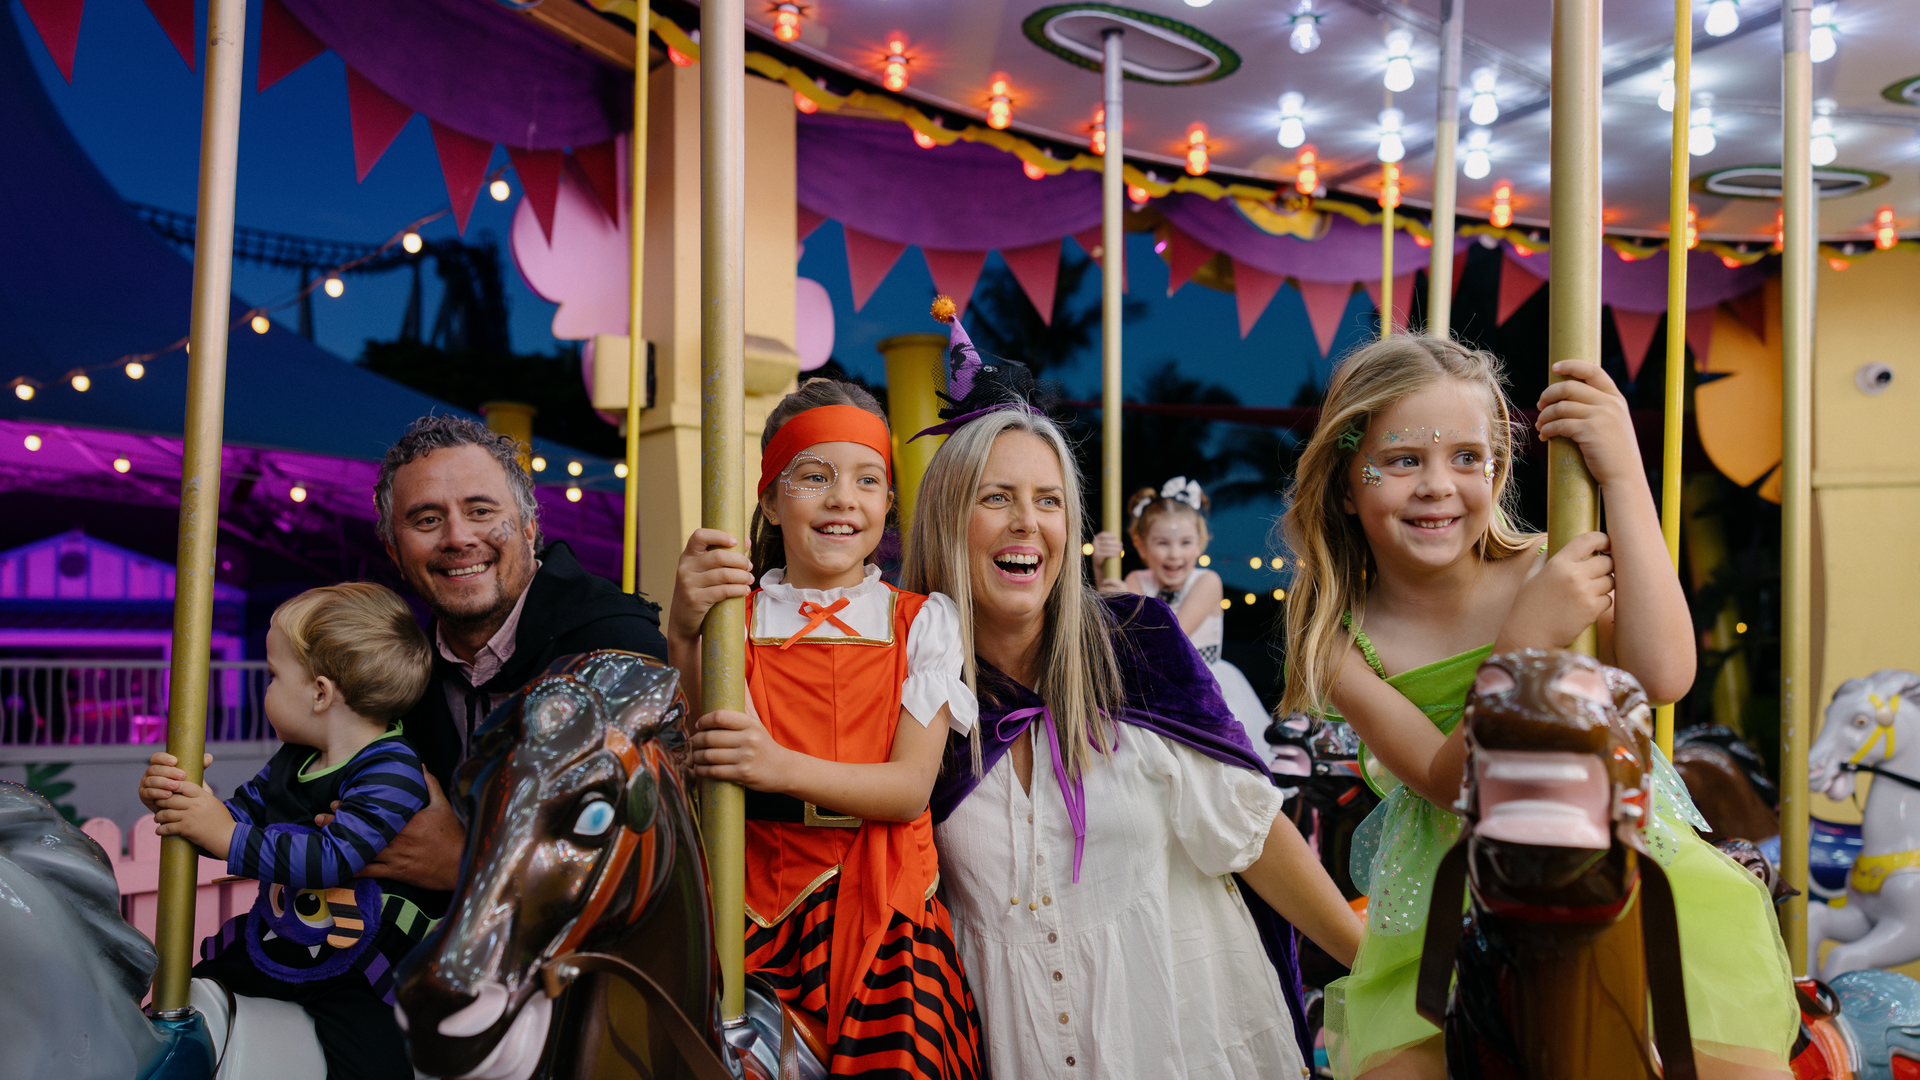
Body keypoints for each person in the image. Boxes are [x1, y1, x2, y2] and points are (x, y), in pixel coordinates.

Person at [1279, 335, 1797, 1079]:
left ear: (1499, 467)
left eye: (1467, 457)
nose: (1437, 486)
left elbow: (1665, 670)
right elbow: (1443, 777)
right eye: (1402, 460)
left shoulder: (1546, 566)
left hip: (1612, 855)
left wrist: (1621, 472)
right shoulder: (1341, 638)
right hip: (1455, 896)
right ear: (1343, 479)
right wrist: (1524, 643)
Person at [904, 298, 1362, 1078]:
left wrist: (1387, 978)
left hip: (1187, 1041)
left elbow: (1251, 836)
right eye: (996, 497)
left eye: (1049, 500)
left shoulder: (1138, 645)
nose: (1028, 523)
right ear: (948, 518)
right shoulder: (917, 696)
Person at [667, 377, 986, 1078]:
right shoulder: (737, 620)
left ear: (887, 504)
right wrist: (685, 628)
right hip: (752, 902)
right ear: (771, 500)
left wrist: (776, 766)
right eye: (815, 476)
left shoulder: (922, 621)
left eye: (867, 480)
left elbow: (908, 790)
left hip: (885, 906)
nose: (844, 497)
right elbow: (712, 732)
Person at [137, 583, 436, 1080]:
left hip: (360, 965)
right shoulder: (292, 762)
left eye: (274, 676)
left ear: (320, 692)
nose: (266, 688)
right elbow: (233, 819)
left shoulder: (392, 769)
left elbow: (334, 857)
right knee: (181, 1002)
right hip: (278, 944)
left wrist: (224, 835)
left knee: (375, 1063)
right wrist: (186, 801)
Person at [369, 414, 670, 891]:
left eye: (481, 511)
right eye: (427, 519)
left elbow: (645, 850)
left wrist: (467, 863)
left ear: (529, 527)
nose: (457, 538)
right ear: (393, 551)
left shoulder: (616, 647)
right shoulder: (400, 670)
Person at [1091, 477, 1274, 760]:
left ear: (1200, 544)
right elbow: (1116, 629)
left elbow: (1173, 636)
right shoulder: (1137, 579)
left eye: (1185, 542)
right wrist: (1102, 571)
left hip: (1202, 688)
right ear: (1140, 546)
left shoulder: (1207, 582)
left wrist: (1129, 602)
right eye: (1162, 542)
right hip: (1153, 688)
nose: (1175, 554)